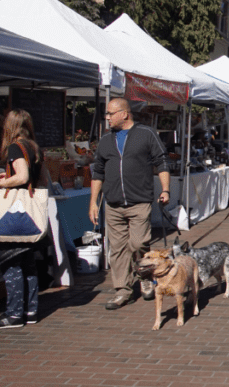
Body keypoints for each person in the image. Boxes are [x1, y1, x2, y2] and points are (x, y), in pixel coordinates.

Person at [89, 98, 170, 310]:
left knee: (138, 244)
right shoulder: (106, 140)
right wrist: (93, 202)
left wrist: (165, 189)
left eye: (110, 113)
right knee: (116, 249)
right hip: (113, 203)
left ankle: (144, 276)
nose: (107, 118)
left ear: (124, 114)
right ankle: (122, 290)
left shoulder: (146, 134)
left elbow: (161, 161)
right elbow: (97, 172)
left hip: (139, 201)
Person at [0, 110, 49, 329]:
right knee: (28, 264)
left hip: (14, 215)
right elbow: (39, 178)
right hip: (29, 215)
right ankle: (30, 311)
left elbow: (23, 177)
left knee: (11, 265)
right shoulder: (33, 146)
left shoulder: (14, 147)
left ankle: (13, 314)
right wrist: (9, 177)